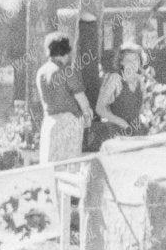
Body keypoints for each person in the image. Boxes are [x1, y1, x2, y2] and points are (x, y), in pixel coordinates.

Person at [35, 32, 94, 165]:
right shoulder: (67, 71)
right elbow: (81, 98)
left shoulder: (41, 72)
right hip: (69, 121)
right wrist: (87, 116)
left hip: (49, 122)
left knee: (51, 164)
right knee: (69, 166)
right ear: (66, 51)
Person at [96, 43, 149, 142]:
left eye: (136, 60)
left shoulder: (140, 80)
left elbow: (140, 110)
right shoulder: (115, 79)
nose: (133, 64)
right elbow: (99, 108)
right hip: (118, 132)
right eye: (128, 61)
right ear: (121, 62)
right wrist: (122, 122)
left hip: (138, 132)